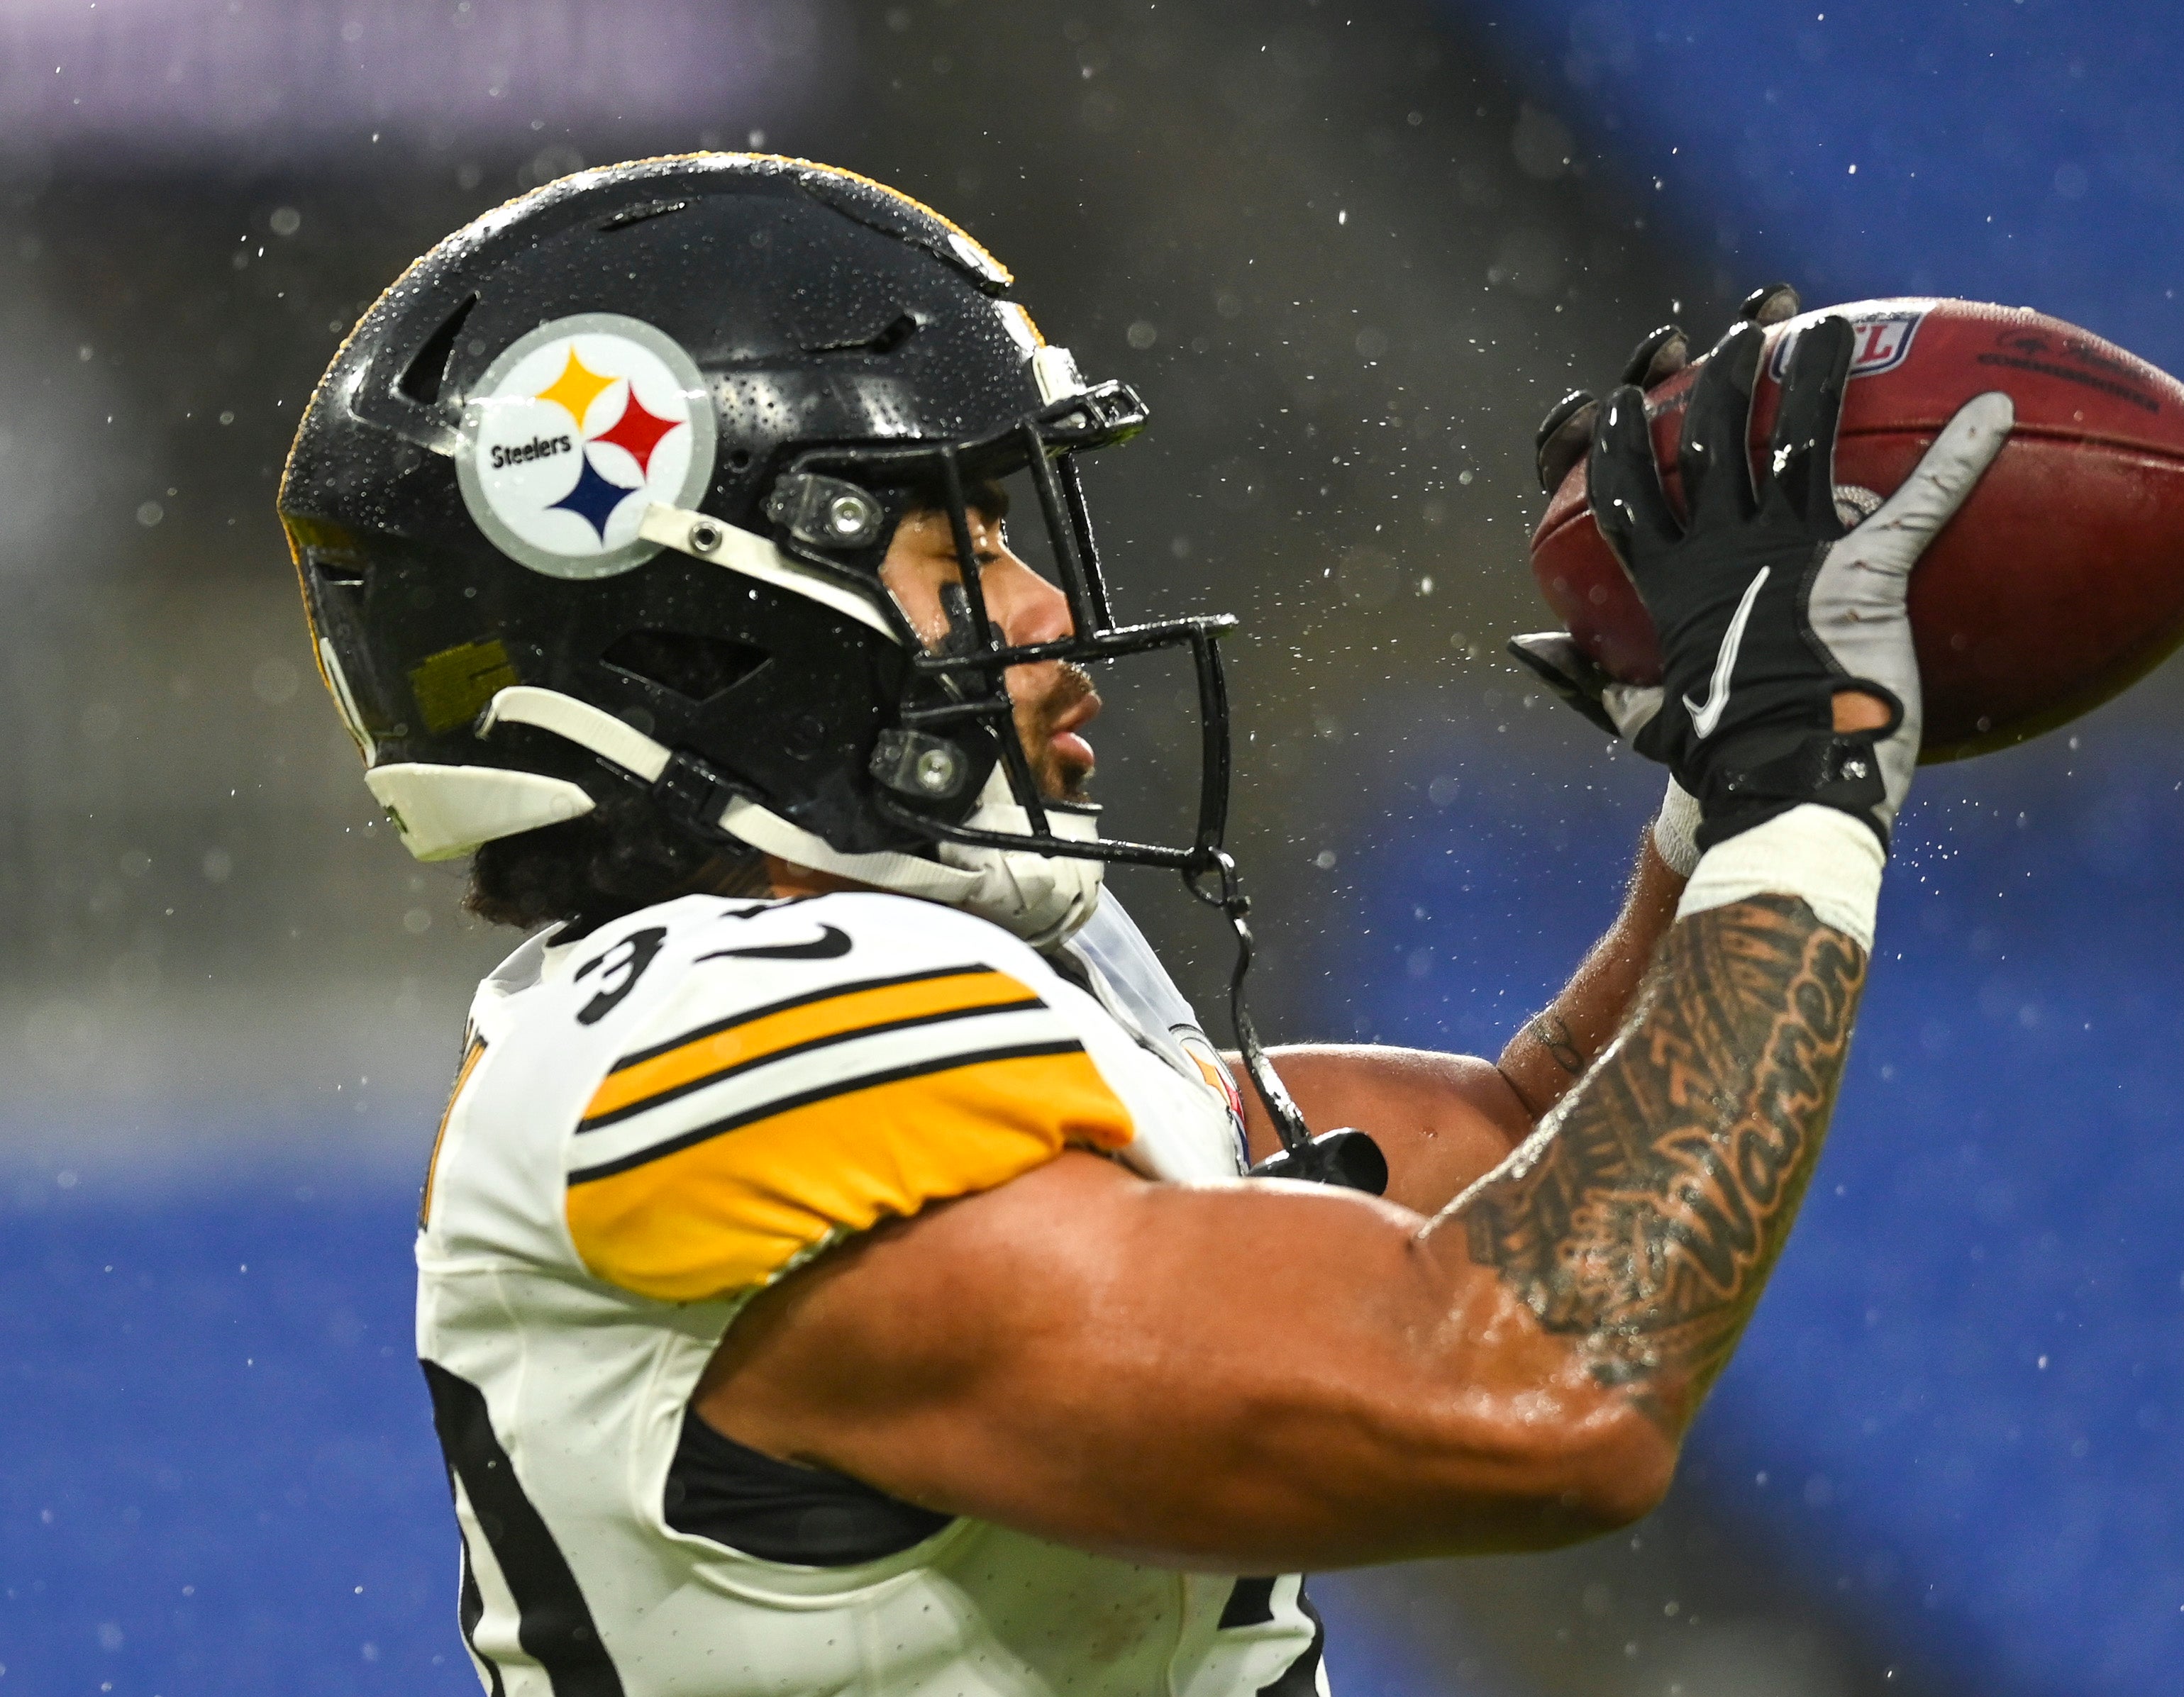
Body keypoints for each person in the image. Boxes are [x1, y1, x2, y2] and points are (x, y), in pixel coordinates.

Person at [278, 154, 2010, 1696]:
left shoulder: (851, 996)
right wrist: (1800, 789)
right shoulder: (703, 1025)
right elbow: (1535, 1388)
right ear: (703, 634)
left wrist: (1712, 811)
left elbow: (1509, 1162)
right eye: (958, 556)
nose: (1040, 610)